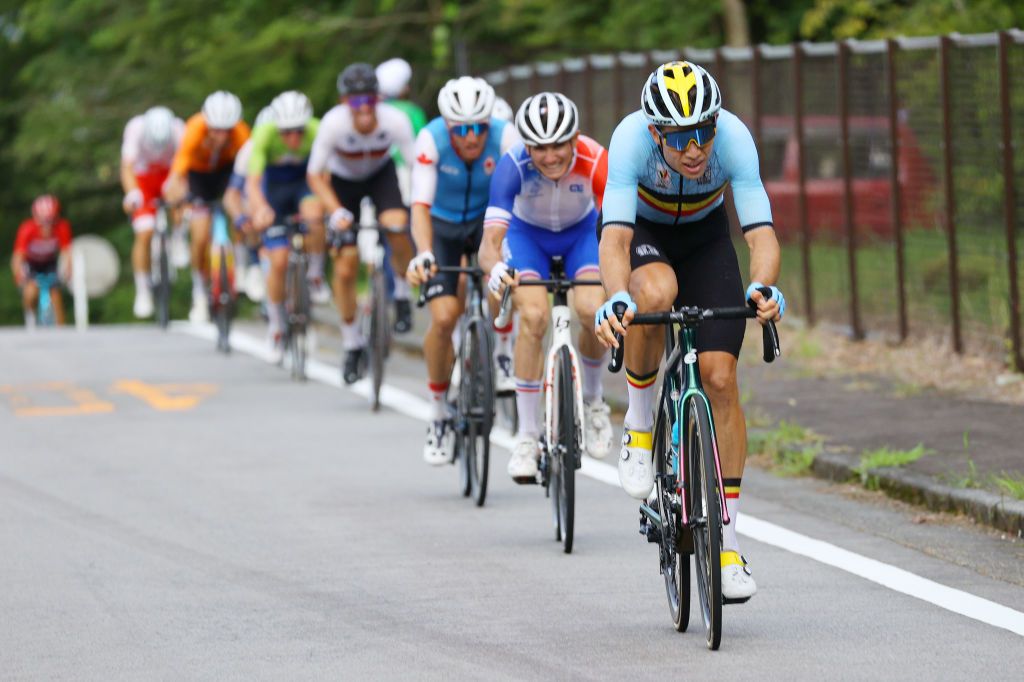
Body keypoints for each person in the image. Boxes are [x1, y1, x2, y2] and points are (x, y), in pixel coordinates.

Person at [593, 60, 785, 602]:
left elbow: (761, 232)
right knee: (653, 295)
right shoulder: (630, 140)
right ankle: (638, 422)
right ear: (657, 132)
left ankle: (727, 542)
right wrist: (618, 296)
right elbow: (614, 241)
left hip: (706, 239)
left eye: (705, 131)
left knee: (720, 378)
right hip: (647, 234)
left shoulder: (734, 141)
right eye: (681, 138)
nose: (696, 148)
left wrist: (764, 288)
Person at [479, 92, 615, 481]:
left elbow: (618, 227)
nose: (551, 156)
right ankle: (526, 435)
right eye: (540, 147)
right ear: (527, 145)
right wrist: (494, 270)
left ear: (575, 139)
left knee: (592, 309)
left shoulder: (595, 158)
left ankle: (592, 401)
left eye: (559, 145)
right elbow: (490, 244)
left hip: (582, 235)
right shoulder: (512, 165)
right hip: (528, 238)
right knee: (534, 316)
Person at [405, 76, 520, 465]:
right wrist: (422, 252)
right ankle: (437, 413)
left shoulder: (506, 136)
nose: (471, 137)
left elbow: (520, 199)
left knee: (506, 278)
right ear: (449, 126)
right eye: (462, 129)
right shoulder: (431, 139)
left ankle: (502, 351)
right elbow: (419, 205)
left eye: (479, 128)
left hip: (489, 222)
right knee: (443, 317)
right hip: (443, 226)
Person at [307, 63, 416, 385]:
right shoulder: (333, 125)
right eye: (356, 102)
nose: (364, 108)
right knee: (345, 266)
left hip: (381, 176)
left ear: (379, 99)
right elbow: (314, 175)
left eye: (370, 100)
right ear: (345, 103)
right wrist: (336, 210)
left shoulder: (395, 120)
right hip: (343, 183)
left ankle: (402, 293)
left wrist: (419, 203)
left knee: (396, 226)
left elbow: (415, 165)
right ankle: (352, 342)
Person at [247, 91, 325, 360]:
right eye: (287, 132)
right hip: (275, 192)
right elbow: (253, 183)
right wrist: (260, 209)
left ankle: (315, 274)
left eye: (298, 132)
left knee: (315, 214)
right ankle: (277, 324)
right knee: (278, 261)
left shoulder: (317, 131)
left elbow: (325, 175)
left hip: (305, 184)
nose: (293, 138)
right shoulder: (265, 134)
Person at [163, 91, 250, 323]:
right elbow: (180, 164)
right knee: (200, 236)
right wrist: (176, 190)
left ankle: (241, 265)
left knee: (240, 208)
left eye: (226, 130)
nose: (221, 136)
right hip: (199, 176)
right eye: (215, 129)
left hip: (226, 172)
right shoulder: (195, 128)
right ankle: (199, 290)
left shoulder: (240, 132)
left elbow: (250, 165)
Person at [120, 106, 185, 318]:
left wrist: (181, 195)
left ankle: (178, 236)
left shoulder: (178, 129)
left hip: (169, 174)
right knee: (144, 233)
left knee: (179, 200)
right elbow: (127, 167)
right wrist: (132, 194)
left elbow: (184, 167)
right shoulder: (135, 129)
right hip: (143, 178)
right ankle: (143, 289)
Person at [224, 105, 276, 303]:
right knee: (250, 215)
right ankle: (253, 263)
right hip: (258, 200)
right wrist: (239, 217)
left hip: (283, 198)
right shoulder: (248, 152)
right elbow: (232, 194)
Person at [12, 195, 72, 327]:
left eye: (51, 221)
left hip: (49, 263)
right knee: (31, 292)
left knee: (55, 293)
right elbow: (18, 255)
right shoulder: (27, 229)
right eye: (43, 221)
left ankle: (60, 328)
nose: (47, 225)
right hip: (31, 264)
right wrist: (18, 273)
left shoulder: (61, 227)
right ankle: (30, 317)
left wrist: (68, 270)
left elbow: (66, 251)